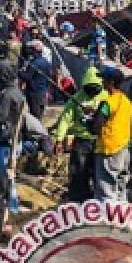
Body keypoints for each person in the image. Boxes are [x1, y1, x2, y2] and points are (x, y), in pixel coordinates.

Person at [53, 66, 108, 202]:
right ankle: (78, 200)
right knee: (78, 172)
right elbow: (65, 119)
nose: (92, 91)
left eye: (95, 88)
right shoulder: (76, 99)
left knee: (99, 173)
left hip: (101, 141)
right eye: (89, 88)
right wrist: (59, 139)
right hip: (82, 141)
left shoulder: (106, 97)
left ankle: (98, 200)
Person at [0, 58, 26, 218]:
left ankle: (12, 210)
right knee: (9, 176)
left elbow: (0, 118)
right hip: (14, 140)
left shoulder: (7, 95)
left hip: (7, 142)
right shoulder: (16, 92)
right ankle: (11, 209)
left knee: (6, 178)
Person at [90, 65, 132, 202]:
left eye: (104, 80)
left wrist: (90, 121)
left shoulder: (107, 103)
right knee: (121, 186)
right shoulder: (127, 102)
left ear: (111, 82)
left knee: (106, 187)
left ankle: (106, 217)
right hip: (124, 148)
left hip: (108, 149)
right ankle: (121, 216)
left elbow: (96, 126)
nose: (102, 82)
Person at [20, 40, 54, 120]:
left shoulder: (34, 63)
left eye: (30, 48)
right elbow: (49, 77)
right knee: (39, 116)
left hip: (34, 94)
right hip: (42, 93)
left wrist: (19, 72)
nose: (28, 50)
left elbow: (27, 77)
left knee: (34, 117)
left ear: (34, 49)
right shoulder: (46, 62)